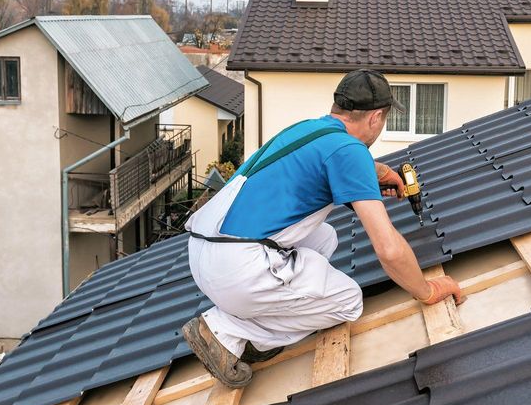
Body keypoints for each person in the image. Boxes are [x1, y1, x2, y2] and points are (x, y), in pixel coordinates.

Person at [181, 69, 466, 388]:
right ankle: (227, 331)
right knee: (348, 300)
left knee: (326, 236)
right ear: (375, 118)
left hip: (205, 251)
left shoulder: (310, 130)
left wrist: (380, 172)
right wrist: (428, 290)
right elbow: (387, 249)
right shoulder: (350, 151)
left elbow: (332, 163)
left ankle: (259, 310)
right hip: (236, 270)